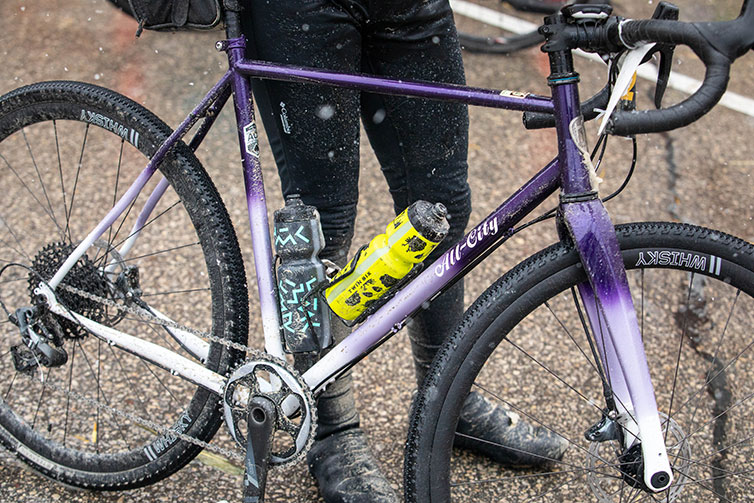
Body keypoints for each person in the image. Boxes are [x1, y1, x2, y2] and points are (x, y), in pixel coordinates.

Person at [241, 2, 568, 501]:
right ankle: (331, 432)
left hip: (412, 8)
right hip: (301, 9)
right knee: (319, 227)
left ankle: (447, 399)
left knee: (443, 208)